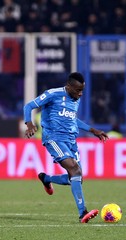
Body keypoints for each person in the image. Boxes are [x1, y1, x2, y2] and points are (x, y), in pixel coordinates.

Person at [23, 72, 109, 223]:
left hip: (71, 140)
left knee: (76, 178)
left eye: (82, 90)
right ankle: (83, 213)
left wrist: (92, 130)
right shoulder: (52, 94)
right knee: (75, 170)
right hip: (54, 138)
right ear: (68, 87)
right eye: (77, 90)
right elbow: (29, 106)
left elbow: (72, 119)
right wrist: (29, 124)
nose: (80, 94)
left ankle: (46, 178)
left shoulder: (75, 98)